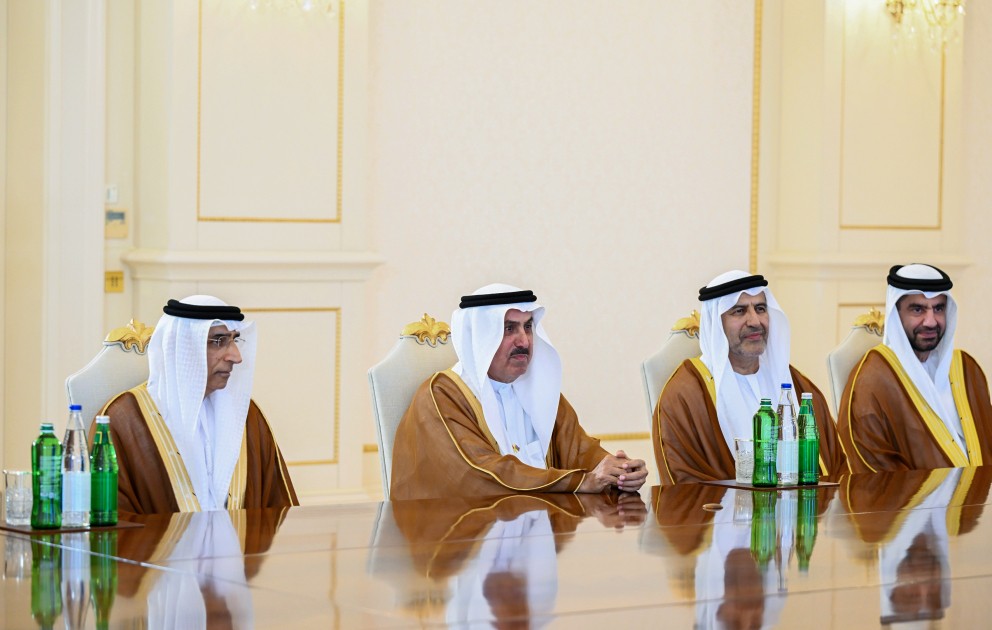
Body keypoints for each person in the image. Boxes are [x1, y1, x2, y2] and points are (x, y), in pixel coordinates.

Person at [390, 284, 649, 500]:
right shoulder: (442, 396)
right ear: (480, 338)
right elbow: (480, 473)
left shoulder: (538, 391)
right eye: (509, 329)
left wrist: (617, 470)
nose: (524, 341)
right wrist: (581, 481)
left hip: (538, 528)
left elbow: (578, 449)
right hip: (465, 538)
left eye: (527, 327)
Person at [99, 295, 298, 514]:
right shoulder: (125, 419)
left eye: (235, 340)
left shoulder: (246, 415)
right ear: (183, 347)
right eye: (219, 341)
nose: (236, 356)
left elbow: (278, 513)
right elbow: (111, 518)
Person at [652, 270, 846, 485]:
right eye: (739, 311)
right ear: (716, 324)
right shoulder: (685, 395)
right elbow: (686, 486)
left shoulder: (794, 384)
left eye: (760, 309)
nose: (755, 321)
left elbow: (836, 470)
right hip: (727, 507)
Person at [837, 264, 992, 472]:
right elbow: (876, 470)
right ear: (896, 314)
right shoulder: (873, 380)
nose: (931, 322)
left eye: (938, 308)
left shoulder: (966, 369)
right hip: (917, 494)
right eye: (918, 309)